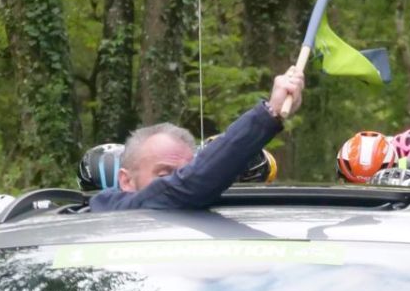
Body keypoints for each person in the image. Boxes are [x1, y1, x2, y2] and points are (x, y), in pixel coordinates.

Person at [92, 68, 304, 209]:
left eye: (185, 171)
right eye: (164, 174)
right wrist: (270, 112)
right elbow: (192, 183)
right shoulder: (109, 210)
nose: (179, 180)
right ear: (126, 181)